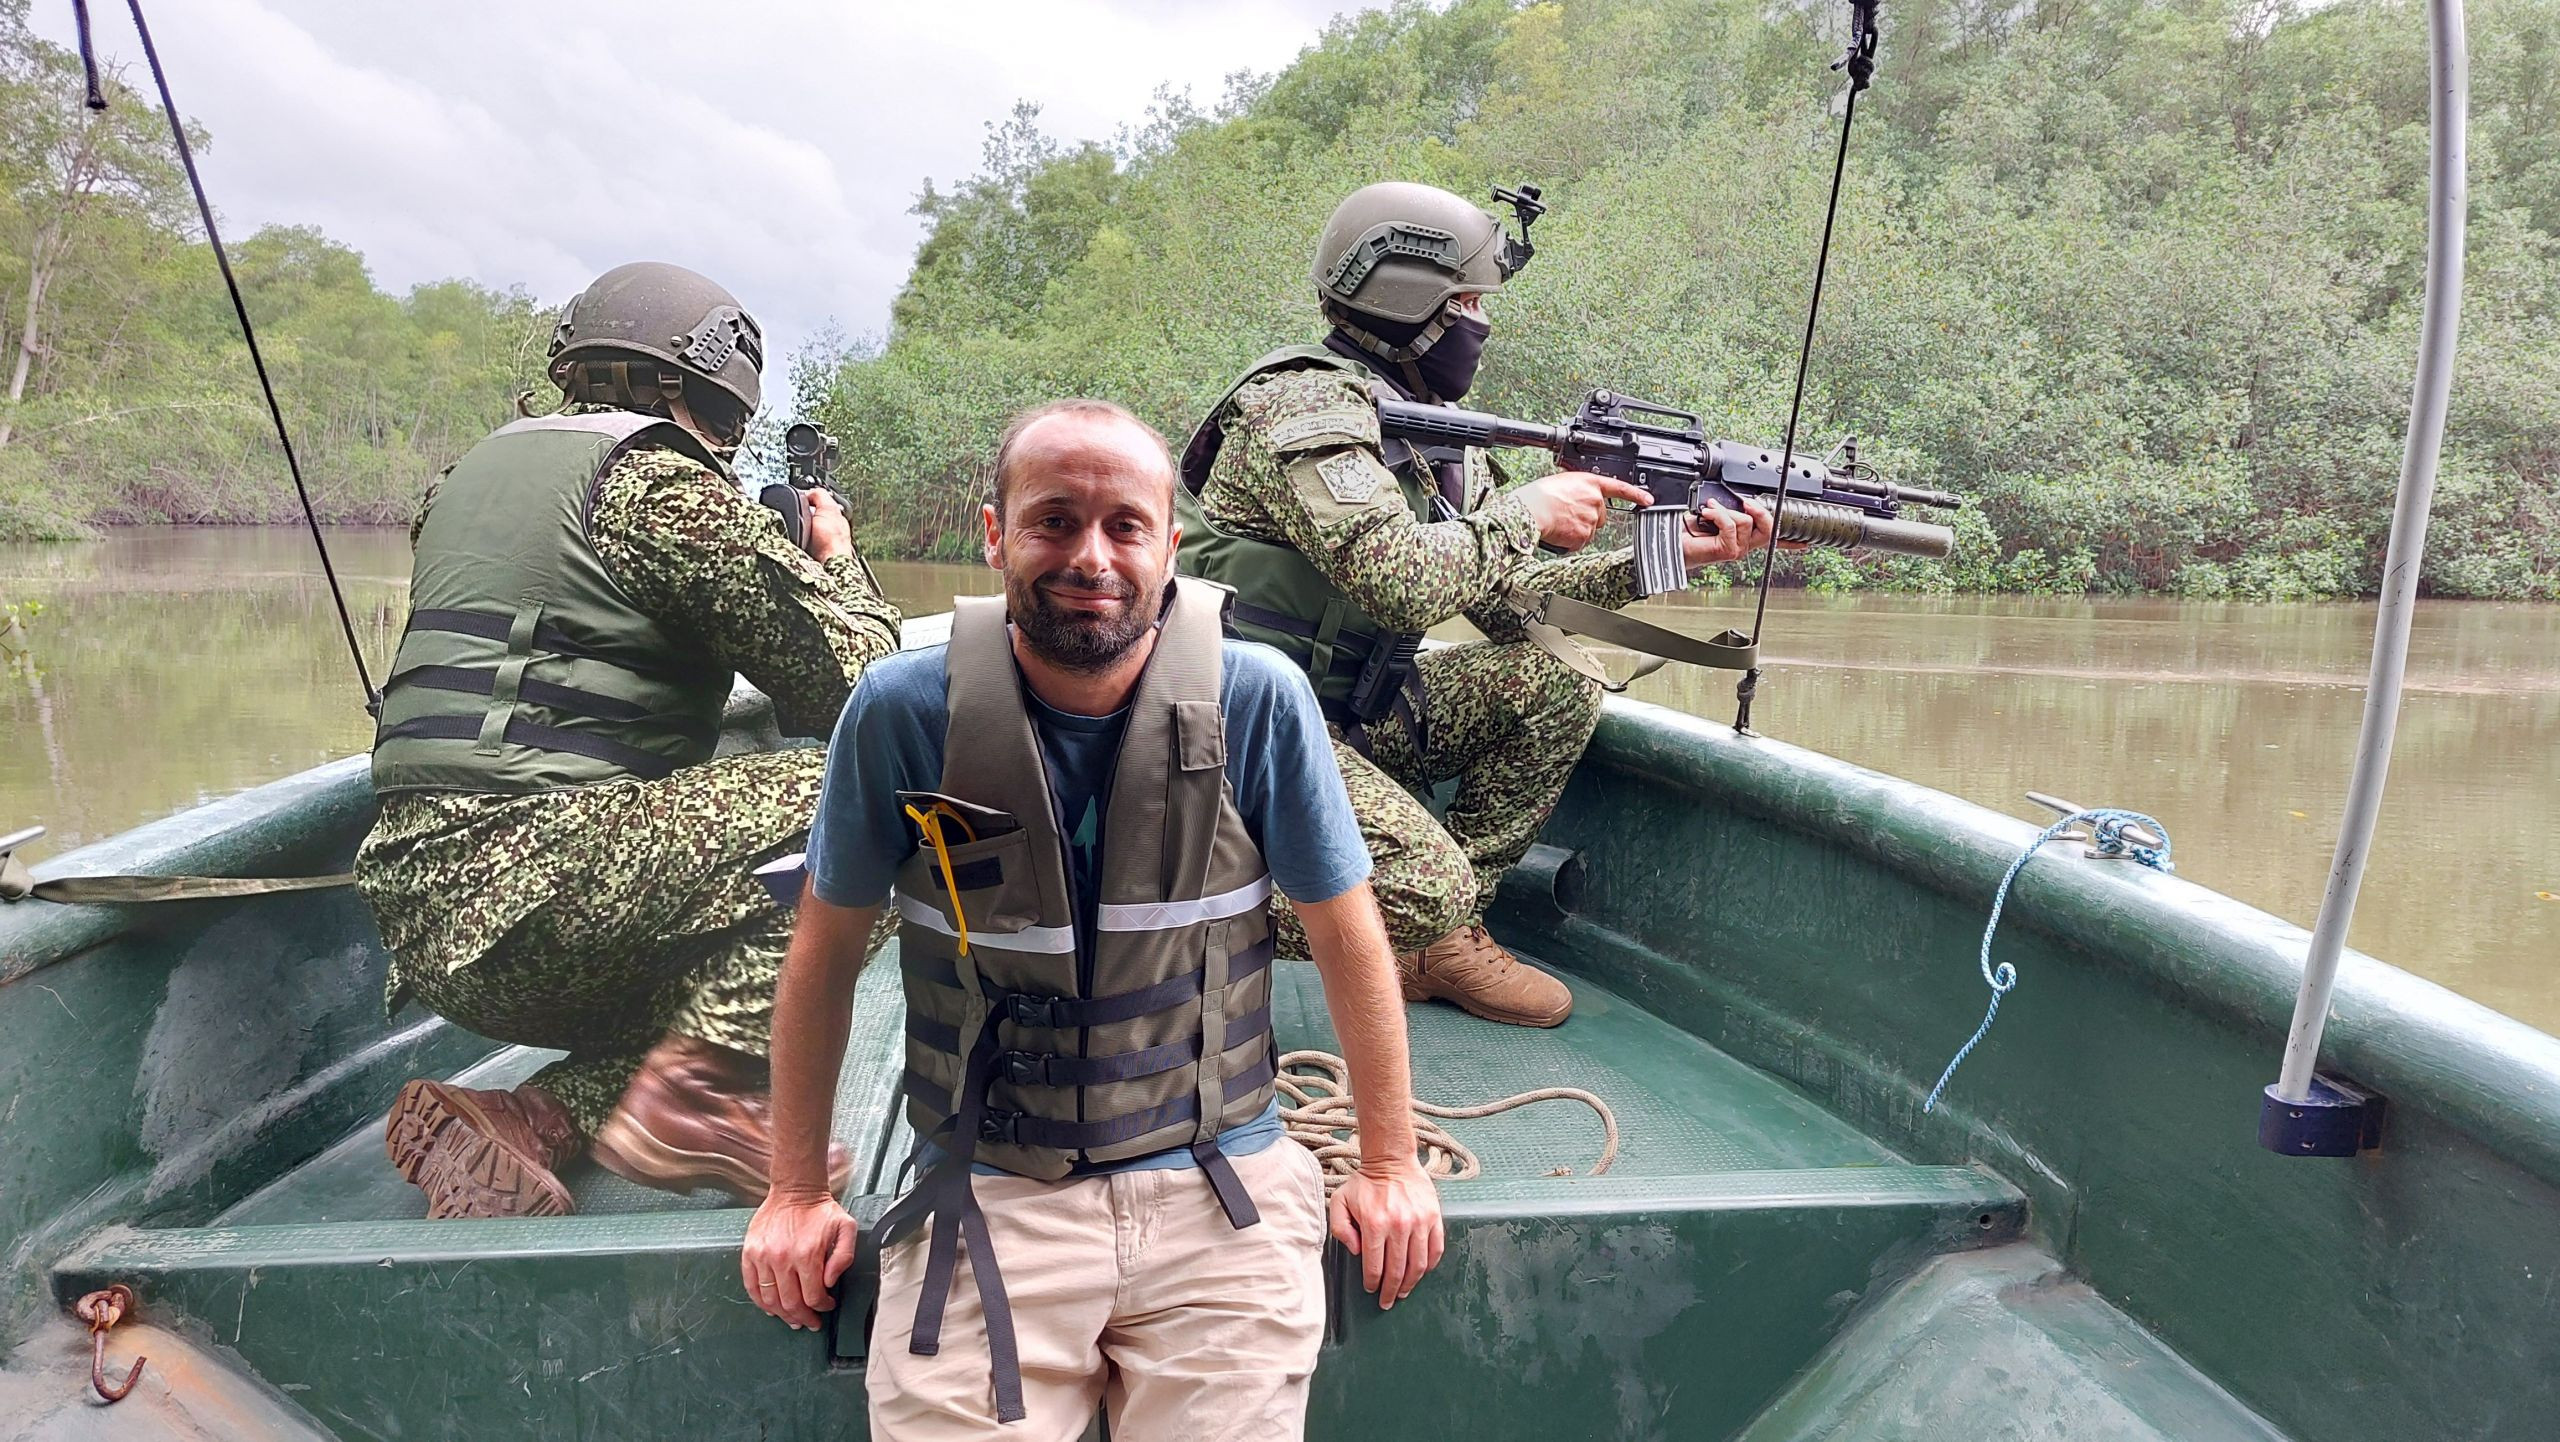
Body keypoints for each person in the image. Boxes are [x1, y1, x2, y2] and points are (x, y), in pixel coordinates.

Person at [743, 399, 1441, 1440]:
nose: (1091, 555)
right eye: (1053, 520)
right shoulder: (900, 709)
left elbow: (1347, 938)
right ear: (995, 535)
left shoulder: (1259, 699)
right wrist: (793, 1189)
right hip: (988, 1195)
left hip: (1222, 1192)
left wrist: (1388, 1165)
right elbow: (823, 955)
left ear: (1169, 544)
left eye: (1124, 524)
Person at [355, 261, 902, 1220]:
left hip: (427, 914)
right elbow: (865, 694)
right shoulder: (657, 489)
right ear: (705, 393)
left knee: (751, 920)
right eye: (731, 428)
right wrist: (836, 562)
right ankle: (695, 1095)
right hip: (541, 887)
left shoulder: (463, 483)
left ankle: (531, 1118)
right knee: (896, 808)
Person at [1176, 180, 1778, 1028]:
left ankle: (1441, 943)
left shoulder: (1435, 436)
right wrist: (1527, 512)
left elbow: (1512, 607)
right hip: (1232, 718)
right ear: (1407, 298)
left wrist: (1663, 557)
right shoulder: (1305, 406)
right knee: (1423, 887)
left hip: (1347, 713)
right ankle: (1170, 930)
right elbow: (1402, 580)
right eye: (1467, 302)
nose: (1481, 325)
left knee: (1556, 679)